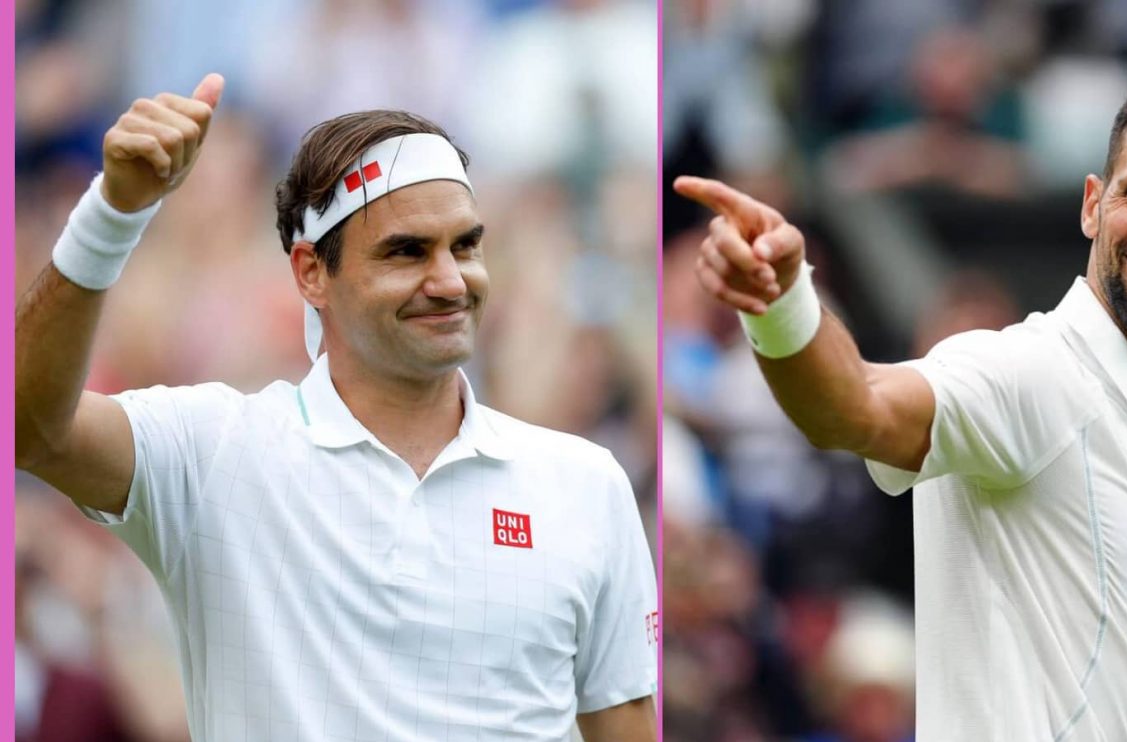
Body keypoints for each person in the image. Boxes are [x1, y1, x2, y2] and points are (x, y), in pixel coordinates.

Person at [16, 73, 658, 742]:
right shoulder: (214, 452)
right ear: (311, 272)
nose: (449, 280)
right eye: (406, 252)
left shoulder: (587, 485)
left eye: (465, 245)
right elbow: (29, 427)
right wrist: (111, 216)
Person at [674, 68, 1127, 742]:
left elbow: (1126, 709)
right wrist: (783, 304)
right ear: (1092, 206)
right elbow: (853, 407)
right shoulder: (1030, 375)